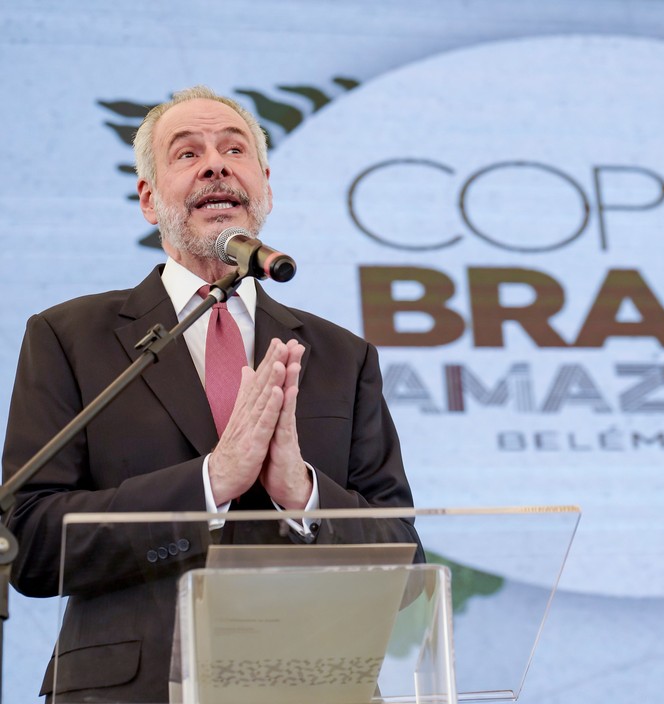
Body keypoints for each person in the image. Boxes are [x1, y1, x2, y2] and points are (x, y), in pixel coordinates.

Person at [1, 85, 416, 702]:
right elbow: (30, 541)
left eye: (234, 149)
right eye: (187, 153)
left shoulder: (341, 355)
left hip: (307, 684)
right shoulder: (69, 337)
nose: (216, 165)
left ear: (265, 186)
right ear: (149, 199)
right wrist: (209, 483)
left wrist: (301, 494)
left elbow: (404, 560)